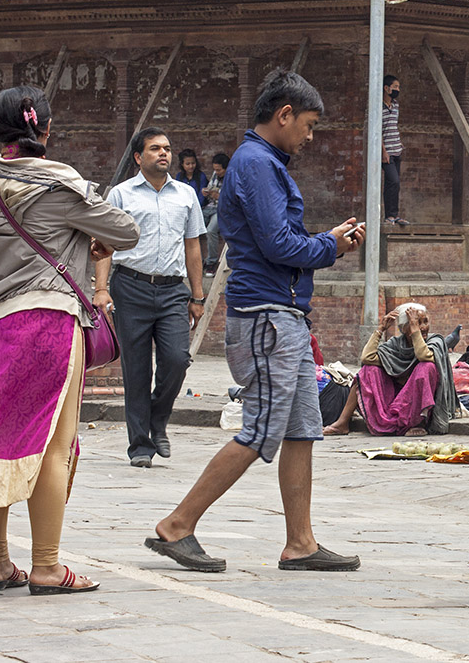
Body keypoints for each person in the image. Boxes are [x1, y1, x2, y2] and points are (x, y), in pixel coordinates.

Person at [145, 69, 364, 574]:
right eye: (307, 125)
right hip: (265, 316)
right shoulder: (256, 163)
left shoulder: (264, 162)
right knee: (262, 428)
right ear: (284, 115)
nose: (309, 137)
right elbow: (278, 245)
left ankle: (301, 542)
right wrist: (330, 245)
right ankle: (178, 524)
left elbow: (281, 238)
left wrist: (326, 239)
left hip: (282, 313)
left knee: (304, 428)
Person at [0, 85, 139, 594]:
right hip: (46, 325)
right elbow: (124, 231)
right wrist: (84, 234)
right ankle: (45, 565)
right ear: (45, 130)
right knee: (51, 446)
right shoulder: (60, 185)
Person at [94, 127, 207, 468]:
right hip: (131, 286)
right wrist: (101, 290)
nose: (164, 154)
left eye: (167, 148)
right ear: (138, 157)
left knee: (176, 359)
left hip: (173, 290)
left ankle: (158, 419)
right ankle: (140, 445)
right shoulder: (121, 195)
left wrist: (197, 295)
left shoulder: (186, 195)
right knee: (136, 369)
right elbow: (104, 245)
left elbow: (193, 246)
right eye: (155, 148)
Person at [323, 303, 457, 437]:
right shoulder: (396, 344)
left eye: (425, 322)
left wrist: (414, 329)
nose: (422, 327)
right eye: (416, 323)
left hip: (419, 402)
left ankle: (418, 423)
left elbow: (423, 356)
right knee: (367, 371)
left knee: (426, 367)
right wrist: (380, 329)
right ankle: (342, 423)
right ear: (404, 329)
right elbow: (367, 358)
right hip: (395, 397)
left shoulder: (435, 341)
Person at [381, 74, 409, 226]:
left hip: (397, 149)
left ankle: (393, 215)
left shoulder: (396, 105)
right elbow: (377, 131)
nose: (398, 89)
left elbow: (393, 126)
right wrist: (383, 151)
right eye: (395, 87)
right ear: (387, 88)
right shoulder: (378, 106)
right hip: (387, 152)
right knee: (394, 181)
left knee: (393, 184)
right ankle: (390, 215)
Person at [202, 152, 228, 275]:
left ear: (226, 168)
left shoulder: (231, 178)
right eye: (215, 170)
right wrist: (206, 192)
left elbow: (232, 200)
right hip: (209, 207)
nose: (217, 172)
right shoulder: (215, 175)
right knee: (191, 224)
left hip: (222, 210)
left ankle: (211, 263)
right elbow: (210, 187)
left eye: (219, 170)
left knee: (211, 230)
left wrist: (219, 196)